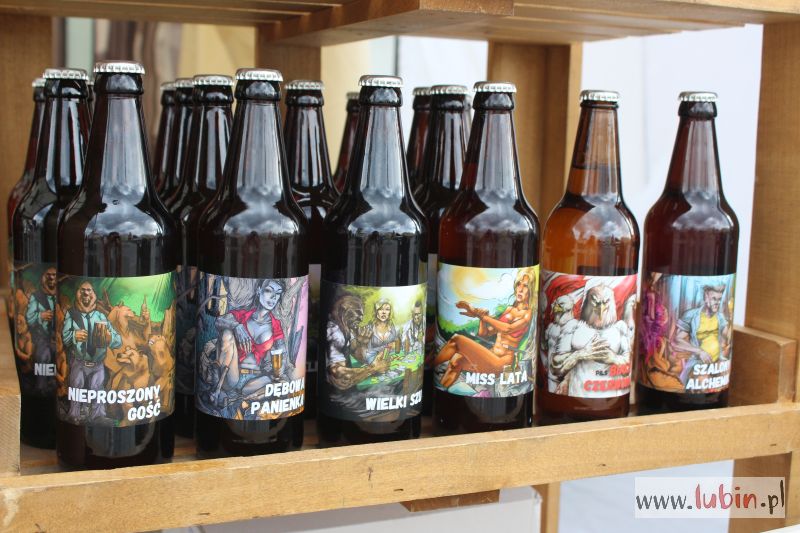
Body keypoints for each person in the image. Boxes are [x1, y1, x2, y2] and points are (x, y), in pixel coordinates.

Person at [435, 268, 535, 389]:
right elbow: (485, 334)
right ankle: (441, 388)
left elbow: (508, 328)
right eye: (519, 284)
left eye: (525, 286)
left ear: (531, 289)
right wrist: (481, 318)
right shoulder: (509, 309)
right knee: (456, 361)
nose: (520, 289)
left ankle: (424, 368)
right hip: (491, 355)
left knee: (457, 340)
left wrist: (483, 316)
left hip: (501, 363)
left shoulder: (527, 314)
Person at [61, 281, 122, 420]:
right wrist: (74, 336)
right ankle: (74, 415)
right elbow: (64, 338)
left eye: (89, 290)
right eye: (82, 290)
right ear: (77, 294)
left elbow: (118, 341)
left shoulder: (101, 317)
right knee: (76, 388)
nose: (86, 294)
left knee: (97, 390)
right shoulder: (72, 315)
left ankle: (98, 416)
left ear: (94, 295)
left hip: (98, 364)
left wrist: (109, 338)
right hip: (79, 362)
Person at [672, 284, 731, 384]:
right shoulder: (692, 315)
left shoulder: (720, 317)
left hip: (717, 364)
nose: (717, 303)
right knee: (687, 385)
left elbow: (727, 337)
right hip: (697, 364)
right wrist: (699, 352)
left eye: (719, 299)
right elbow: (676, 340)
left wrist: (732, 315)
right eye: (714, 299)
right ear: (706, 297)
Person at [25, 267, 57, 393]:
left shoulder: (61, 297)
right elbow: (29, 318)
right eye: (48, 275)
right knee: (43, 356)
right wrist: (40, 316)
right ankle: (41, 387)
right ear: (43, 277)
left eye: (54, 275)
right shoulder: (36, 297)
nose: (51, 278)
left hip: (58, 338)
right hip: (42, 337)